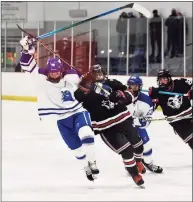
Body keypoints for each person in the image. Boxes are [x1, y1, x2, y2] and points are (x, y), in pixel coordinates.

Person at [19, 36, 99, 181]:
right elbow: (27, 66)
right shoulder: (40, 78)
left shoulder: (70, 76)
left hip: (77, 111)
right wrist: (27, 49)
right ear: (47, 70)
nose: (54, 73)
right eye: (52, 71)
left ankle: (92, 162)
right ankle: (85, 166)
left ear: (61, 70)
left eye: (57, 71)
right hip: (61, 119)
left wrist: (88, 80)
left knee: (86, 134)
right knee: (76, 149)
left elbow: (84, 82)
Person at [74, 64, 145, 187]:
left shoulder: (112, 83)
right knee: (127, 151)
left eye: (101, 73)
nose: (100, 76)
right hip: (106, 127)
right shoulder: (84, 90)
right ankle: (134, 174)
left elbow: (130, 93)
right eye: (97, 74)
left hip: (123, 119)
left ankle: (138, 160)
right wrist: (85, 86)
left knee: (138, 145)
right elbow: (76, 97)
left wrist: (120, 95)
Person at [127, 76, 163, 173]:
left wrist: (140, 121)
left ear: (140, 87)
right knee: (127, 148)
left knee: (146, 145)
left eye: (135, 87)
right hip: (124, 127)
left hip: (138, 127)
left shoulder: (146, 101)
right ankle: (131, 164)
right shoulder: (123, 97)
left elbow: (146, 122)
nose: (132, 89)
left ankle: (148, 162)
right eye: (130, 86)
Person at [149, 69, 193, 149]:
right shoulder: (158, 92)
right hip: (178, 123)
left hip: (190, 116)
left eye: (164, 79)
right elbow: (150, 108)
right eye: (160, 79)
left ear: (169, 78)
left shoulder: (181, 83)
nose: (162, 81)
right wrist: (151, 98)